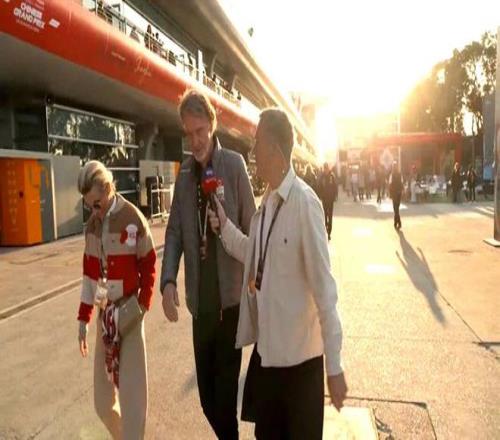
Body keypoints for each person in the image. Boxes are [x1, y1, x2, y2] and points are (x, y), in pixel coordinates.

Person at [208, 108, 347, 439]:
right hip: (268, 361)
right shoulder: (267, 203)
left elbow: (325, 291)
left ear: (273, 148)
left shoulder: (304, 204)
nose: (253, 152)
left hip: (300, 369)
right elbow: (253, 253)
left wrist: (335, 366)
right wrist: (224, 226)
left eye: (256, 143)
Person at [160, 89, 256, 439]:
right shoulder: (185, 174)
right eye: (189, 133)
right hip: (201, 306)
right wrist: (168, 280)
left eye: (200, 131)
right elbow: (173, 232)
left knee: (225, 400)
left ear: (212, 126)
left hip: (230, 306)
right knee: (206, 401)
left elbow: (253, 227)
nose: (195, 141)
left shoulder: (233, 165)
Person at [77, 160, 156, 440]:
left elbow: (149, 263)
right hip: (105, 318)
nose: (94, 211)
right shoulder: (91, 227)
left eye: (97, 204)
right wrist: (83, 320)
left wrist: (142, 306)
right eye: (89, 206)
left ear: (108, 188)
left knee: (134, 403)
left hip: (130, 315)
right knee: (102, 402)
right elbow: (89, 276)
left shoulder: (133, 218)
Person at [318, 162, 338, 241]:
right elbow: (319, 186)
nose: (325, 170)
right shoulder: (322, 177)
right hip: (324, 199)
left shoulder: (332, 176)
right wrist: (320, 195)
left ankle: (329, 232)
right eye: (325, 168)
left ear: (328, 168)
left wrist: (335, 196)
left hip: (330, 199)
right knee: (325, 215)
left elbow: (335, 186)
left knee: (330, 216)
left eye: (326, 168)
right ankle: (325, 229)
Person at [389, 162, 403, 230]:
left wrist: (390, 193)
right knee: (397, 207)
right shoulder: (400, 174)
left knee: (395, 208)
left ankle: (398, 222)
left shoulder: (391, 175)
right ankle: (397, 222)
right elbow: (402, 183)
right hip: (399, 193)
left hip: (394, 193)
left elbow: (390, 184)